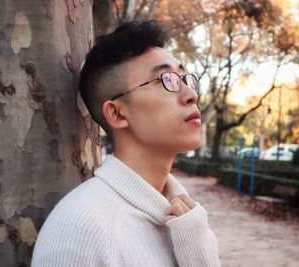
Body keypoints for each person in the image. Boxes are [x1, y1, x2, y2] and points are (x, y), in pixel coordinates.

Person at [31, 20, 220, 267]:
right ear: (118, 114)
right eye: (167, 79)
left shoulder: (188, 216)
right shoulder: (77, 230)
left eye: (184, 79)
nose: (191, 95)